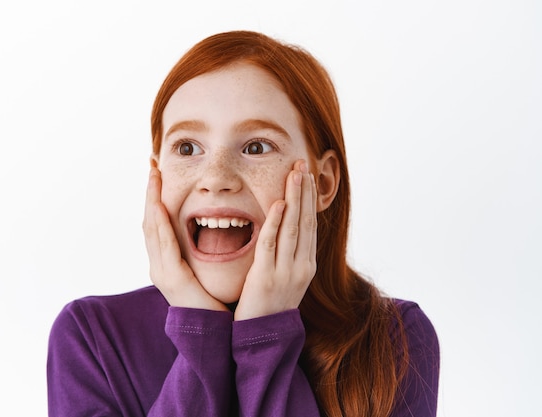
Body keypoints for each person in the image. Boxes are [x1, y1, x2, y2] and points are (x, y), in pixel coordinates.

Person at [47, 30, 440, 417]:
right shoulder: (90, 338)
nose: (216, 177)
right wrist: (199, 333)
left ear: (322, 183)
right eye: (187, 148)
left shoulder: (395, 339)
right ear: (157, 176)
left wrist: (265, 336)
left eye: (256, 147)